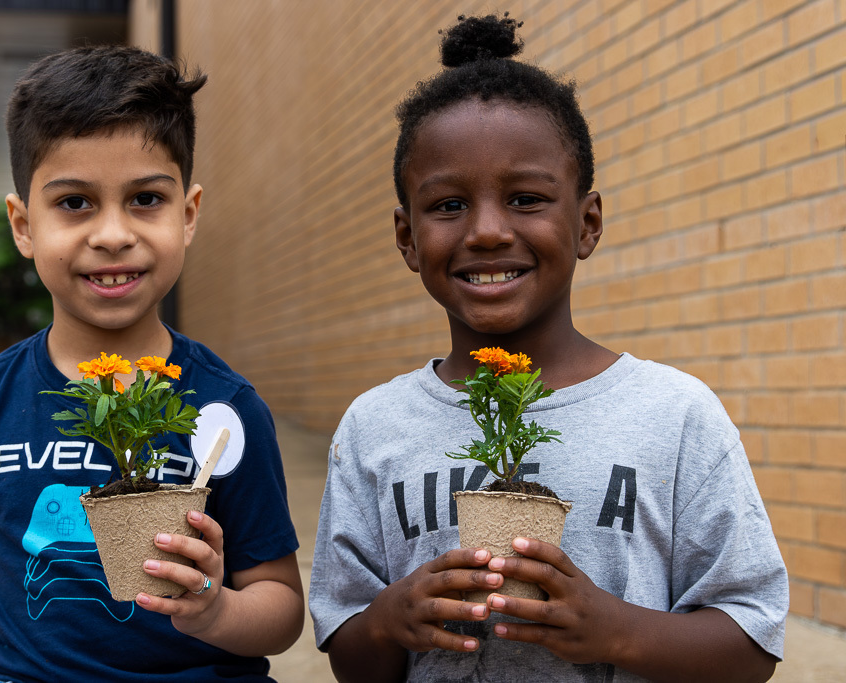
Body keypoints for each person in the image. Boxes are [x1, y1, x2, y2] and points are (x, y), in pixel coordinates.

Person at [309, 14, 787, 683]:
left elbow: (752, 641)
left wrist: (616, 628)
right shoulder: (373, 428)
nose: (486, 230)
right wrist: (390, 619)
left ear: (587, 222)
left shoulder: (675, 415)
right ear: (406, 237)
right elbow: (352, 655)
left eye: (526, 198)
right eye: (447, 206)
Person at [0, 46, 303, 682]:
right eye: (74, 202)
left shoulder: (226, 410)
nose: (113, 233)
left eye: (146, 199)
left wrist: (215, 611)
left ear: (189, 214)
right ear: (22, 224)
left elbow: (281, 610)